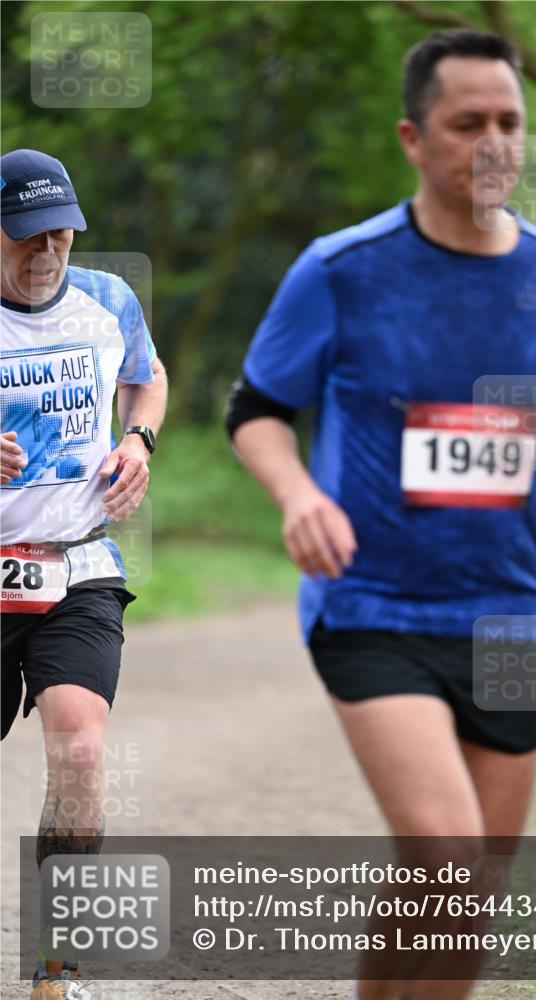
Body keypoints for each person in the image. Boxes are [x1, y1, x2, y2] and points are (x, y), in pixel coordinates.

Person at [226, 30, 536, 999]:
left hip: (508, 612)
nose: (494, 143)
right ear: (413, 139)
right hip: (371, 604)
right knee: (446, 851)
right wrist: (298, 492)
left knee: (471, 888)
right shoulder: (342, 270)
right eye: (467, 123)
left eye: (509, 121)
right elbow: (255, 410)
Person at [0, 148, 168, 1000]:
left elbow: (147, 378)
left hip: (77, 566)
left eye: (61, 233)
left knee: (80, 744)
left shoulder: (108, 301)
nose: (46, 252)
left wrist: (138, 440)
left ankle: (57, 964)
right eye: (26, 236)